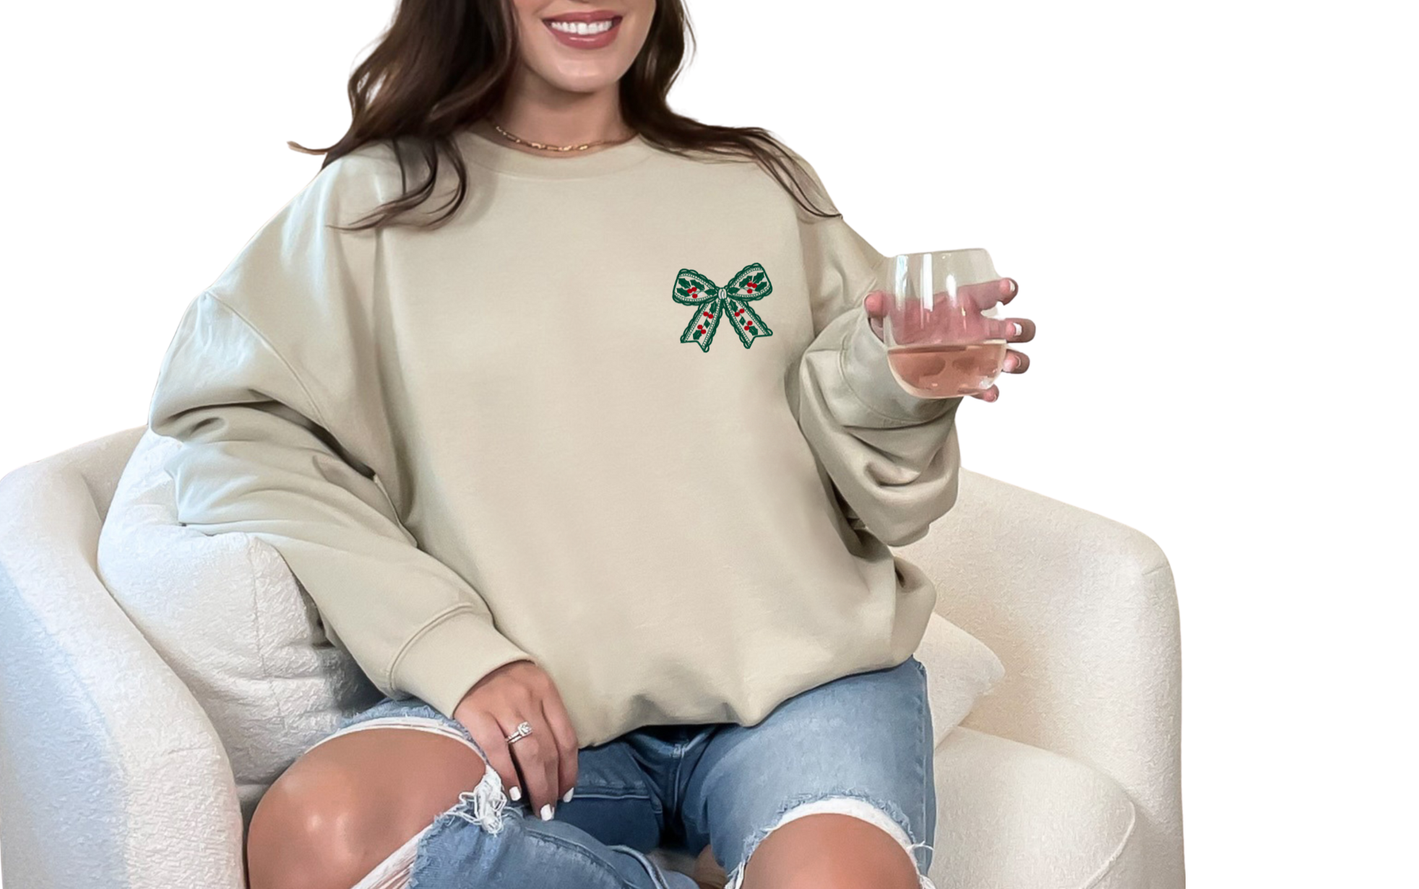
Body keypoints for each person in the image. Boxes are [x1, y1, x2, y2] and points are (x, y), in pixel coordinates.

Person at [146, 1, 1035, 887]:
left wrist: (901, 386)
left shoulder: (753, 182)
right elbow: (229, 423)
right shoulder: (376, 204)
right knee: (317, 835)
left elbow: (873, 453)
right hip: (535, 709)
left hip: (809, 688)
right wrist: (444, 643)